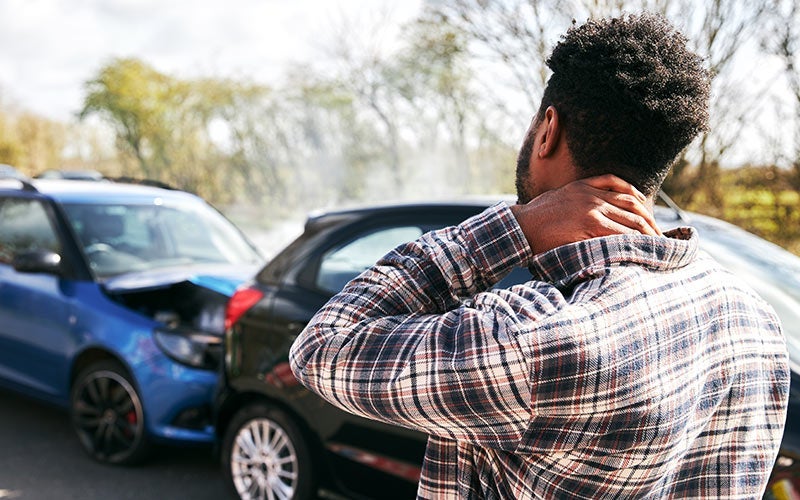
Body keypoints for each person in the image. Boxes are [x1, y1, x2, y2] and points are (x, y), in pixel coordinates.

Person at [290, 13, 790, 499]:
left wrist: (517, 226)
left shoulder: (535, 339)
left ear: (548, 129)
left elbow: (322, 347)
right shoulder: (752, 318)